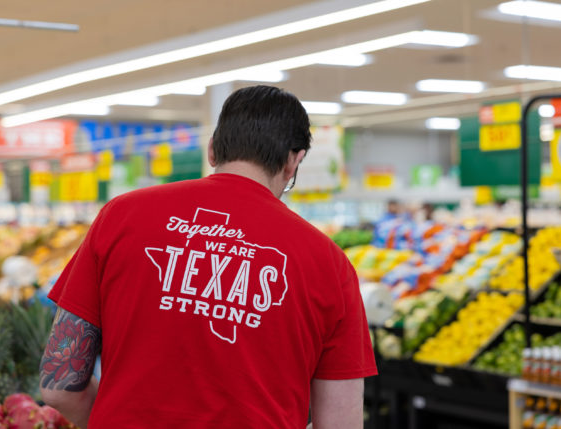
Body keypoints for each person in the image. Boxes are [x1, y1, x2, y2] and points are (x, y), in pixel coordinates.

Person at [40, 85, 377, 428]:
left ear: (213, 148)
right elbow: (340, 423)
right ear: (294, 161)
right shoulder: (330, 263)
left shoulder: (121, 215)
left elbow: (59, 387)